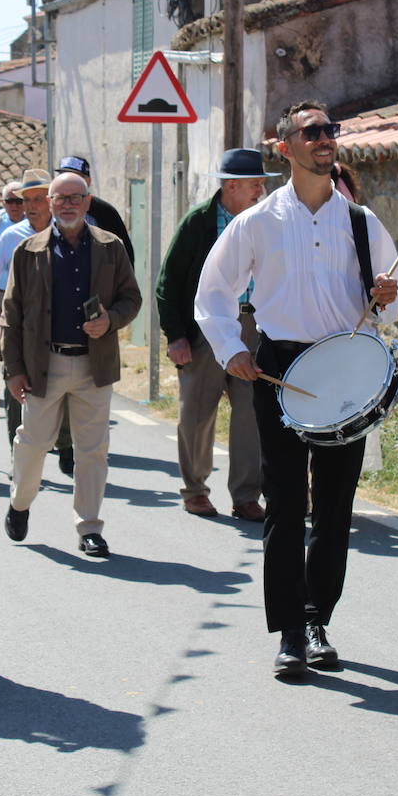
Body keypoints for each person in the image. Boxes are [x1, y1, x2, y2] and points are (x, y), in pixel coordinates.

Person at [194, 100, 398, 677]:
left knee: (335, 509)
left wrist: (386, 294)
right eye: (311, 132)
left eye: (330, 130)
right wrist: (230, 348)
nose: (325, 139)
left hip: (345, 368)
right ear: (285, 147)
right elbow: (212, 292)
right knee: (285, 506)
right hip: (280, 367)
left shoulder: (361, 221)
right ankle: (288, 631)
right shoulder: (257, 222)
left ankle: (317, 617)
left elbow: (390, 287)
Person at [2, 172, 142, 558]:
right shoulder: (27, 251)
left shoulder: (110, 247)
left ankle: (90, 528)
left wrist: (110, 320)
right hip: (43, 364)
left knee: (92, 449)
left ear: (87, 201)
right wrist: (13, 369)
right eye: (59, 198)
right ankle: (19, 503)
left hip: (93, 365)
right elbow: (10, 315)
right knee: (32, 443)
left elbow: (132, 298)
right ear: (48, 203)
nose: (67, 204)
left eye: (75, 197)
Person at [157, 149, 273, 522]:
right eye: (255, 184)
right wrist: (175, 336)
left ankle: (245, 496)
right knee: (197, 413)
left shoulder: (266, 221)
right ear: (231, 186)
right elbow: (168, 282)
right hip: (206, 327)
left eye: (261, 183)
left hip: (253, 325)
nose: (260, 189)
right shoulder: (199, 223)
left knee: (250, 414)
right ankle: (195, 490)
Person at [0, 169, 55, 451]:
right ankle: (18, 445)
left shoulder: (66, 232)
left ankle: (61, 442)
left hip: (54, 320)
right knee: (14, 378)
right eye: (25, 200)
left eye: (38, 199)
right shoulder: (12, 236)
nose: (29, 206)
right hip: (14, 315)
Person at [54, 156, 136, 262]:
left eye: (76, 178)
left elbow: (125, 255)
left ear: (88, 181)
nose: (69, 182)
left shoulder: (105, 212)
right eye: (64, 176)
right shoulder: (50, 209)